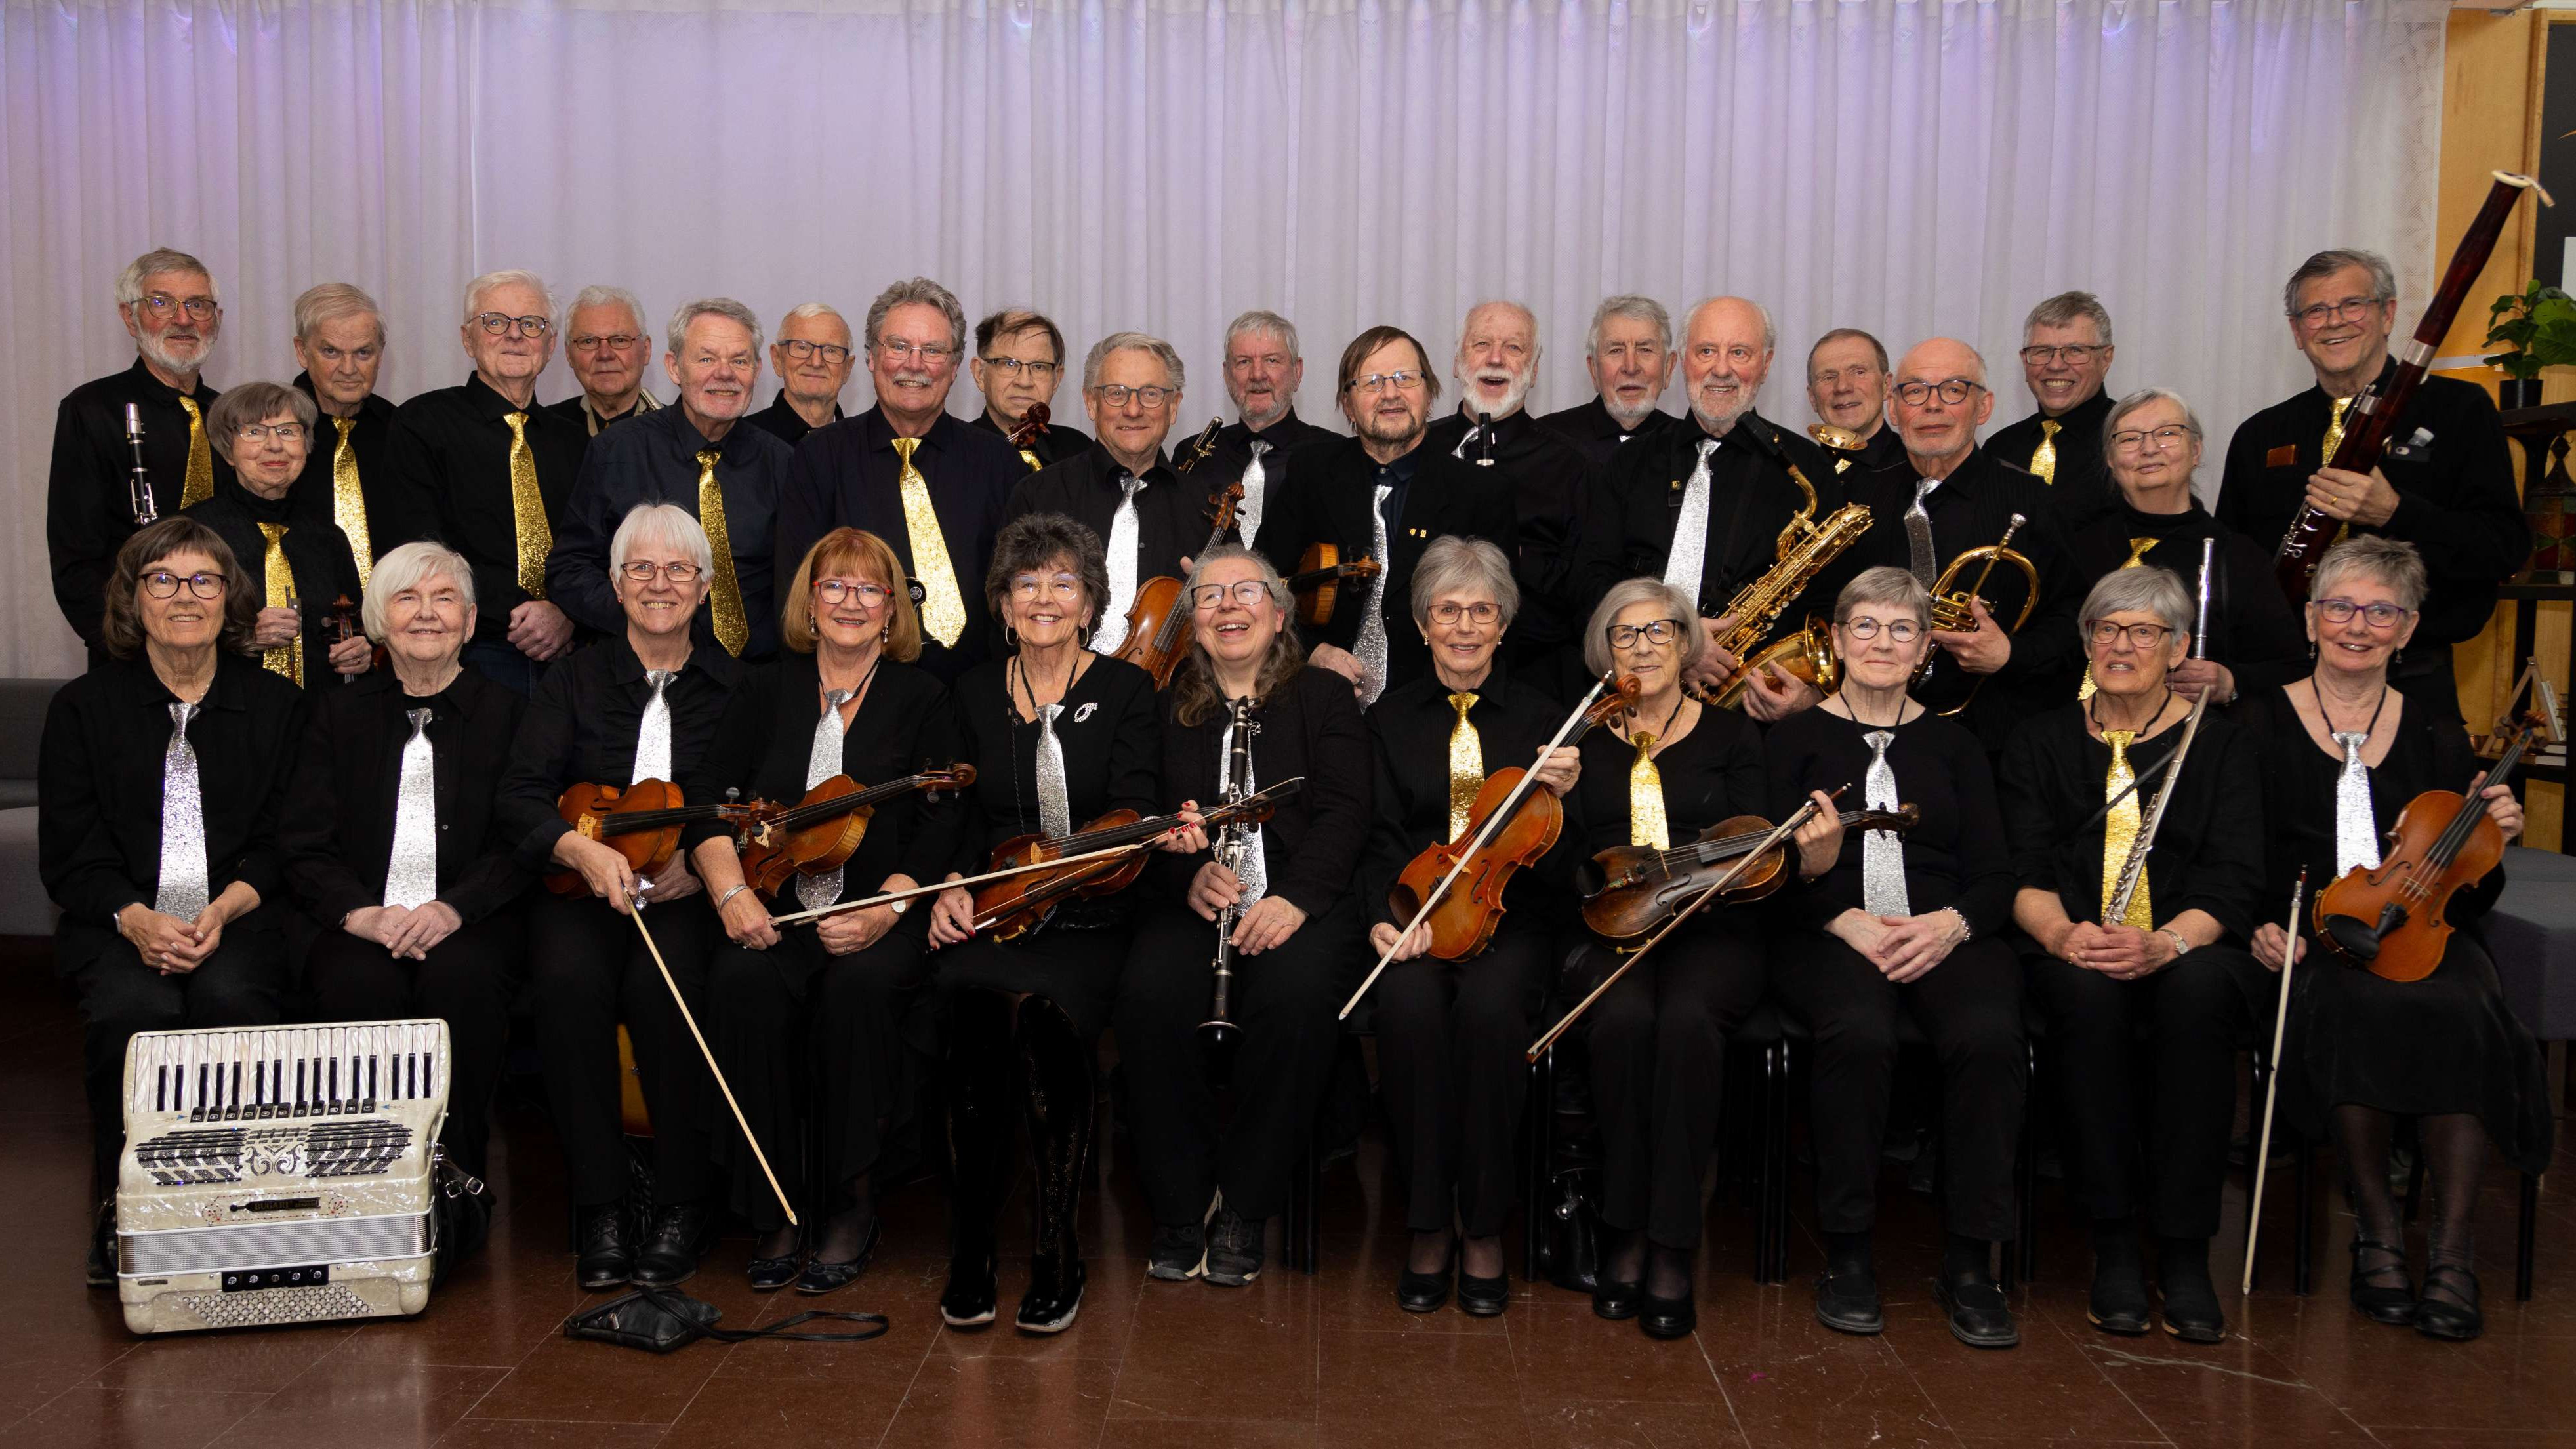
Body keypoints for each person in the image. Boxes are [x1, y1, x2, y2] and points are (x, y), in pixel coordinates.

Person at [2244, 536, 2550, 1342]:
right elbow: (2232, 848)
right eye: (2341, 606)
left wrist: (2491, 840)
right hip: (2309, 933)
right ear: (2311, 618)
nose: (2359, 625)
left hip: (2425, 933)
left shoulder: (2437, 732)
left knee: (2466, 1009)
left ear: (2409, 630)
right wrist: (2260, 923)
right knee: (2353, 1003)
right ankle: (2378, 1233)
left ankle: (2452, 1253)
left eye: (2382, 611)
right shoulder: (2257, 721)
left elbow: (2471, 893)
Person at [685, 528, 964, 1293]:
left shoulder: (923, 696)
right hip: (774, 905)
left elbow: (944, 820)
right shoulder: (762, 689)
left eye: (869, 588)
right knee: (740, 983)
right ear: (810, 603)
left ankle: (851, 1203)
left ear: (892, 610)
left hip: (880, 911)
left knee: (859, 990)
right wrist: (732, 894)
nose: (850, 601)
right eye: (833, 585)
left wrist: (888, 908)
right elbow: (708, 803)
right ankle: (773, 1204)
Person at [2003, 566, 2269, 1345]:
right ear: (2087, 641)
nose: (2121, 645)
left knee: (2196, 998)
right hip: (2071, 938)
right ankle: (2114, 1243)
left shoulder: (2223, 744)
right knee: (2086, 999)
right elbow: (2020, 868)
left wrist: (2166, 942)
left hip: (2190, 940)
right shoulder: (2038, 741)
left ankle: (2185, 1250)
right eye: (2106, 629)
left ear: (2179, 647)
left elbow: (2235, 875)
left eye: (2144, 631)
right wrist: (2062, 936)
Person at [1765, 567, 2026, 1347]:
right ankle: (1848, 1255)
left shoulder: (1957, 743)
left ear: (1923, 650)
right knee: (1858, 1031)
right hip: (1829, 927)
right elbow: (1760, 874)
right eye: (1866, 626)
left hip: (1941, 925)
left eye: (1902, 628)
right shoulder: (1791, 739)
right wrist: (1833, 908)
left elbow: (1996, 873)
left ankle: (1972, 1263)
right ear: (1837, 640)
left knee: (1989, 1034)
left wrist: (1950, 925)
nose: (1883, 642)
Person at [39, 518, 302, 1283]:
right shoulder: (82, 708)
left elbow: (290, 840)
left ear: (230, 598)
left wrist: (223, 909)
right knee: (134, 1013)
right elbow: (72, 855)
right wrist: (138, 919)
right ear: (132, 599)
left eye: (203, 580)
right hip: (123, 920)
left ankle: (246, 1206)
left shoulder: (278, 706)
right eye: (162, 580)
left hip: (241, 915)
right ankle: (125, 1210)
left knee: (233, 1000)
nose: (184, 596)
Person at [925, 513, 1162, 1334]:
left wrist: (1064, 871)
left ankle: (1057, 1245)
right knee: (971, 1010)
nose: (1045, 598)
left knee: (1048, 1021)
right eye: (1026, 583)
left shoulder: (1128, 691)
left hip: (1094, 913)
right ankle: (972, 1245)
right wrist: (952, 884)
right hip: (996, 911)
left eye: (1064, 583)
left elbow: (1134, 808)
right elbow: (955, 812)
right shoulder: (969, 694)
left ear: (1090, 603)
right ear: (1002, 603)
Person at [498, 504, 743, 1292]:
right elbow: (520, 795)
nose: (659, 584)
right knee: (568, 985)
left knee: (666, 995)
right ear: (614, 583)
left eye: (678, 570)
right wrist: (578, 849)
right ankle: (600, 1205)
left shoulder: (737, 688)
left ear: (705, 587)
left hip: (680, 894)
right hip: (580, 889)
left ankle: (680, 1202)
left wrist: (700, 864)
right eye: (641, 568)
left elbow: (744, 799)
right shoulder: (572, 678)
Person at [1113, 545, 1370, 1288]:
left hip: (1299, 899)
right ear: (1192, 622)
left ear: (1280, 614)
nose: (1228, 606)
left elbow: (1347, 811)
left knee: (1295, 1000)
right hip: (1197, 900)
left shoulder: (1323, 696)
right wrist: (1186, 870)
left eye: (1247, 591)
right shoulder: (1162, 704)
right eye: (1210, 595)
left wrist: (1295, 899)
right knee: (1148, 993)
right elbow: (1142, 812)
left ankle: (1247, 1203)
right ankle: (1179, 1202)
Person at [1359, 536, 1581, 1317]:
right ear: (1422, 624)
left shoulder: (1546, 722)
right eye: (1447, 611)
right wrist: (1384, 920)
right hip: (1417, 915)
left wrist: (1565, 799)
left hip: (1510, 920)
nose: (1464, 627)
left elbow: (1564, 860)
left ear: (1503, 623)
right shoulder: (1387, 720)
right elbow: (1374, 838)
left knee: (1490, 1015)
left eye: (1481, 611)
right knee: (1409, 1010)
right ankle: (1428, 1220)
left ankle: (1483, 1224)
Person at [278, 542, 527, 1184]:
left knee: (463, 981)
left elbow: (522, 839)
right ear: (378, 621)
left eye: (444, 598)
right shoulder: (335, 713)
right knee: (358, 984)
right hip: (360, 918)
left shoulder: (512, 714)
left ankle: (458, 1182)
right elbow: (303, 841)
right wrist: (361, 915)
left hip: (470, 918)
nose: (426, 613)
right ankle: (367, 1180)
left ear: (470, 622)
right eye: (406, 598)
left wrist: (452, 908)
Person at [1563, 577, 1765, 1339]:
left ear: (1687, 645)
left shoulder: (1733, 736)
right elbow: (1559, 870)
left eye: (1660, 632)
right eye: (1625, 634)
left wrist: (1718, 882)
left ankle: (1674, 1239)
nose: (1643, 647)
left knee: (1686, 1025)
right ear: (1604, 650)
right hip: (1608, 928)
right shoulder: (1581, 742)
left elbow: (1759, 844)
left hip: (1714, 926)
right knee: (1622, 1021)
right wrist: (1551, 803)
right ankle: (1624, 1225)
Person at [2217, 249, 2529, 722]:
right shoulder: (2260, 434)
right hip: (2279, 686)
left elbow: (2503, 548)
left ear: (2387, 314)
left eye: (2352, 304)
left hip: (2412, 683)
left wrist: (2395, 512)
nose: (2333, 321)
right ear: (2296, 331)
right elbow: (2231, 569)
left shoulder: (2459, 409)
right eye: (2315, 311)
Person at [1566, 296, 1836, 720]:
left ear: (1766, 364)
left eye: (1739, 353)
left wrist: (1808, 697)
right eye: (1706, 351)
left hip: (1749, 709)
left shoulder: (1807, 469)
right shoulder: (1630, 462)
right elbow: (1590, 580)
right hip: (1630, 698)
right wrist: (1678, 639)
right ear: (1682, 362)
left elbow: (1831, 602)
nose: (1721, 369)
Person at [1815, 339, 2083, 750]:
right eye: (1915, 391)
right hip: (1862, 728)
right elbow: (1824, 604)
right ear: (1893, 408)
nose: (1932, 406)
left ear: (1984, 407)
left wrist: (2011, 654)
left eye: (1954, 390)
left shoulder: (2031, 500)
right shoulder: (1857, 497)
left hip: (1993, 738)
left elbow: (2075, 615)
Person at [774, 277, 1022, 682]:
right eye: (899, 346)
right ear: (872, 357)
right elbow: (796, 593)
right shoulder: (819, 457)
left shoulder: (999, 463)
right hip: (856, 690)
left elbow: (1016, 594)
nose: (915, 364)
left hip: (977, 691)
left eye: (934, 351)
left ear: (955, 367)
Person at [1254, 326, 1515, 707]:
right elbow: (1262, 580)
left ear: (1430, 394)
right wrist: (1312, 652)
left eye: (1405, 378)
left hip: (1436, 705)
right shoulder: (1312, 473)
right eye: (1372, 382)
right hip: (1322, 701)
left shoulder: (1481, 492)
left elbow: (1500, 616)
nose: (1391, 393)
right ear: (1347, 404)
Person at [550, 298, 792, 661]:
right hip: (644, 666)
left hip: (756, 674)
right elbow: (570, 569)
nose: (725, 373)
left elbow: (800, 579)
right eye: (706, 359)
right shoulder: (617, 452)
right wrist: (647, 622)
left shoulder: (783, 463)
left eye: (739, 361)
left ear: (757, 371)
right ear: (674, 368)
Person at [380, 270, 586, 695]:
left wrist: (566, 613)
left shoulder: (574, 440)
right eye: (495, 322)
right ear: (467, 339)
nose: (515, 334)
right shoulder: (422, 422)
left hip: (569, 654)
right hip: (469, 650)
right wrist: (521, 611)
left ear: (550, 345)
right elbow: (418, 544)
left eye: (531, 324)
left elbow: (595, 547)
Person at [2066, 388, 2305, 705]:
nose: (2149, 449)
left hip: (2191, 731)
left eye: (2167, 434)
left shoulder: (2237, 556)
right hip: (2077, 729)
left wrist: (2232, 682)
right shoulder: (2074, 546)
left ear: (2196, 450)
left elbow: (2292, 668)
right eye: (2130, 439)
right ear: (2110, 459)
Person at [47, 249, 232, 661]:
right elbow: (76, 557)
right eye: (161, 303)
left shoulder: (231, 416)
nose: (183, 320)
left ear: (216, 320)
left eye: (198, 305)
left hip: (225, 651)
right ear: (130, 318)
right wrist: (127, 646)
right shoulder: (91, 409)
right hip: (130, 653)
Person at [1004, 333, 1209, 655]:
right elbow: (1005, 609)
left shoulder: (1205, 508)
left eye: (1151, 394)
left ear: (1174, 407)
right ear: (1091, 402)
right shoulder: (1037, 496)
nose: (1133, 410)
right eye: (1117, 393)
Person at [1424, 301, 1593, 674]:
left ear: (1534, 370)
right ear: (1456, 362)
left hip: (1530, 671)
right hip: (1422, 668)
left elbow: (1582, 591)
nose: (1496, 359)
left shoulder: (1571, 465)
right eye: (1481, 344)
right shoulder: (1417, 449)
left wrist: (1511, 555)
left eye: (1514, 348)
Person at [184, 382, 370, 688]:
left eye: (288, 431)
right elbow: (161, 633)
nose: (274, 445)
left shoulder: (329, 537)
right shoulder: (191, 535)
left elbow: (358, 624)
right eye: (254, 432)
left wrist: (360, 652)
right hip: (223, 703)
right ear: (228, 450)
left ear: (305, 446)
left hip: (320, 708)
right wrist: (242, 637)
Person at [1177, 310, 1332, 551]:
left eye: (1272, 361)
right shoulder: (1192, 455)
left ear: (1297, 372)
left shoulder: (1331, 454)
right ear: (1227, 375)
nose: (1257, 375)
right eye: (1243, 362)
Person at [288, 283, 398, 589]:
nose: (348, 369)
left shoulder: (401, 430)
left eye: (363, 352)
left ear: (380, 354)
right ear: (302, 352)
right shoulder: (270, 430)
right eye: (331, 352)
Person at [1986, 291, 2119, 521]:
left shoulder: (2130, 444)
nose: (2056, 365)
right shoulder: (1999, 449)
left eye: (2075, 350)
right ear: (2024, 361)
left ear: (2106, 359)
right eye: (2042, 351)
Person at [1538, 295, 1682, 470]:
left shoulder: (1689, 446)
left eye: (1645, 349)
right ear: (1593, 369)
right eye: (1616, 350)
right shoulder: (1545, 441)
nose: (1631, 367)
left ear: (1669, 367)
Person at [970, 309, 1092, 469]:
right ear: (980, 374)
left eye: (1039, 366)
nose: (1024, 382)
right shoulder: (955, 453)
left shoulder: (1079, 452)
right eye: (1009, 364)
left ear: (1056, 380)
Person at [550, 285, 662, 435]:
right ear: (569, 354)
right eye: (589, 341)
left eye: (620, 340)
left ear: (646, 350)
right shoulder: (543, 430)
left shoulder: (676, 433)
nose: (604, 355)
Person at [749, 302, 855, 446]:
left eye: (831, 350)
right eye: (802, 347)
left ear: (848, 368)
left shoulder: (865, 446)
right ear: (777, 359)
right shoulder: (741, 442)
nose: (816, 362)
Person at [1804, 328, 1907, 474]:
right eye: (1829, 377)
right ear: (1813, 398)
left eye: (1859, 372)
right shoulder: (1792, 471)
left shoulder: (1920, 470)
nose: (1842, 387)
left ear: (1886, 386)